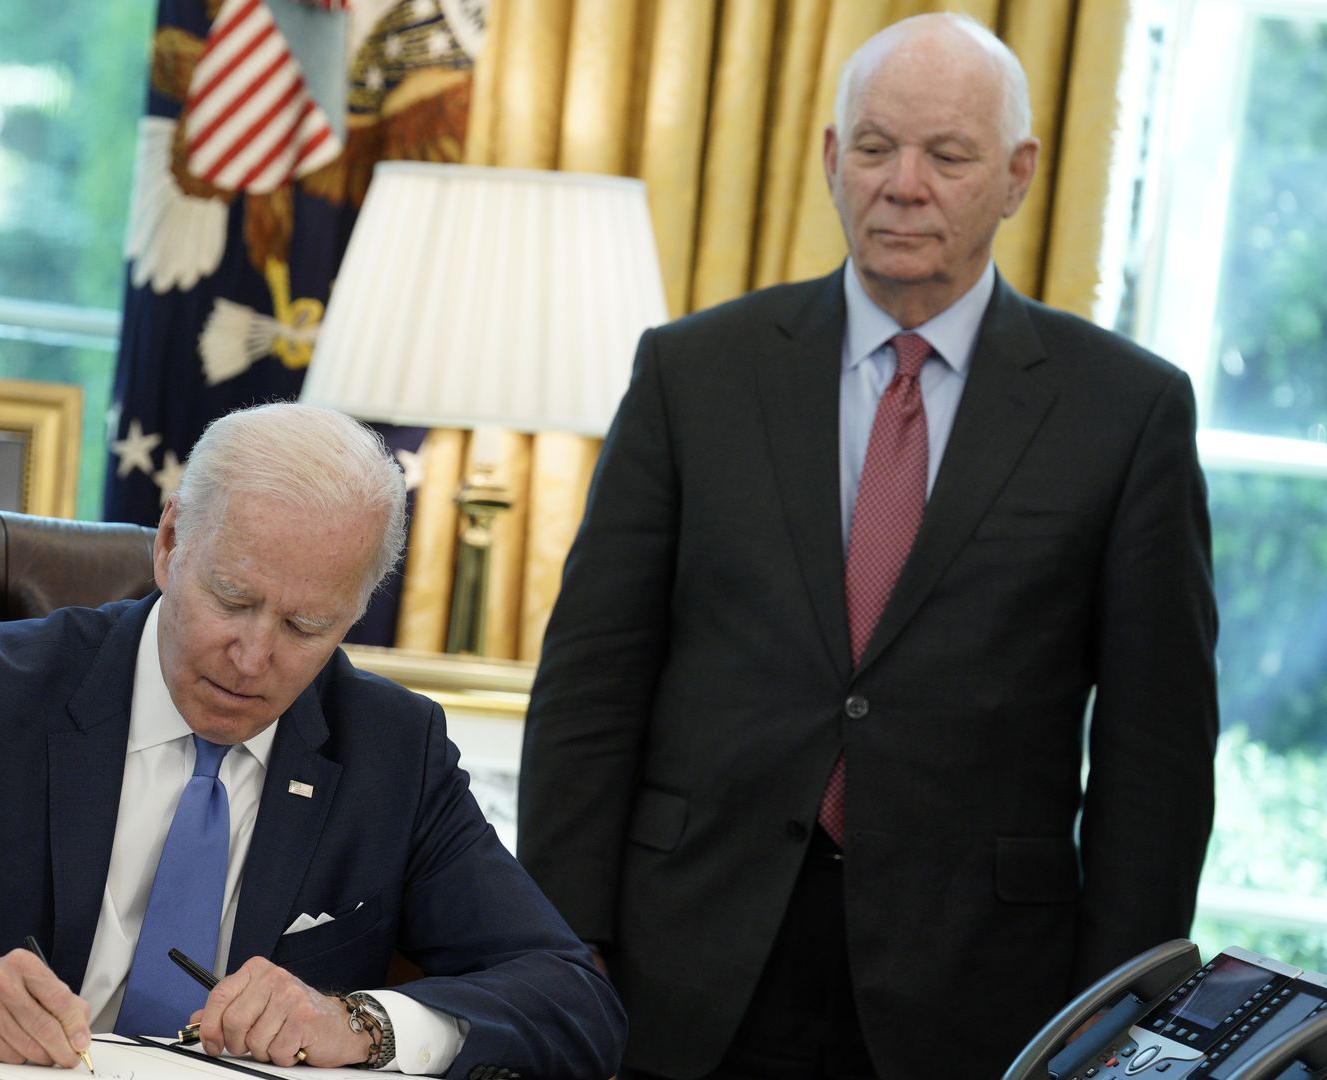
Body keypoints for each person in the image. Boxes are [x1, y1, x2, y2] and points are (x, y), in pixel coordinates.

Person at [517, 14, 1218, 1080]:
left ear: (1019, 174)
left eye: (948, 155)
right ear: (832, 158)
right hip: (686, 961)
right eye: (878, 147)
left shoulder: (1125, 412)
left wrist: (1112, 1020)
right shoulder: (694, 373)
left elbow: (1154, 759)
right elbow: (592, 683)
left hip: (980, 991)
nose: (905, 184)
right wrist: (562, 947)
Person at [0, 403, 626, 1078]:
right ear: (171, 543)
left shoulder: (393, 750)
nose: (254, 657)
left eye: (306, 627)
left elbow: (573, 1003)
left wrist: (365, 1025)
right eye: (233, 597)